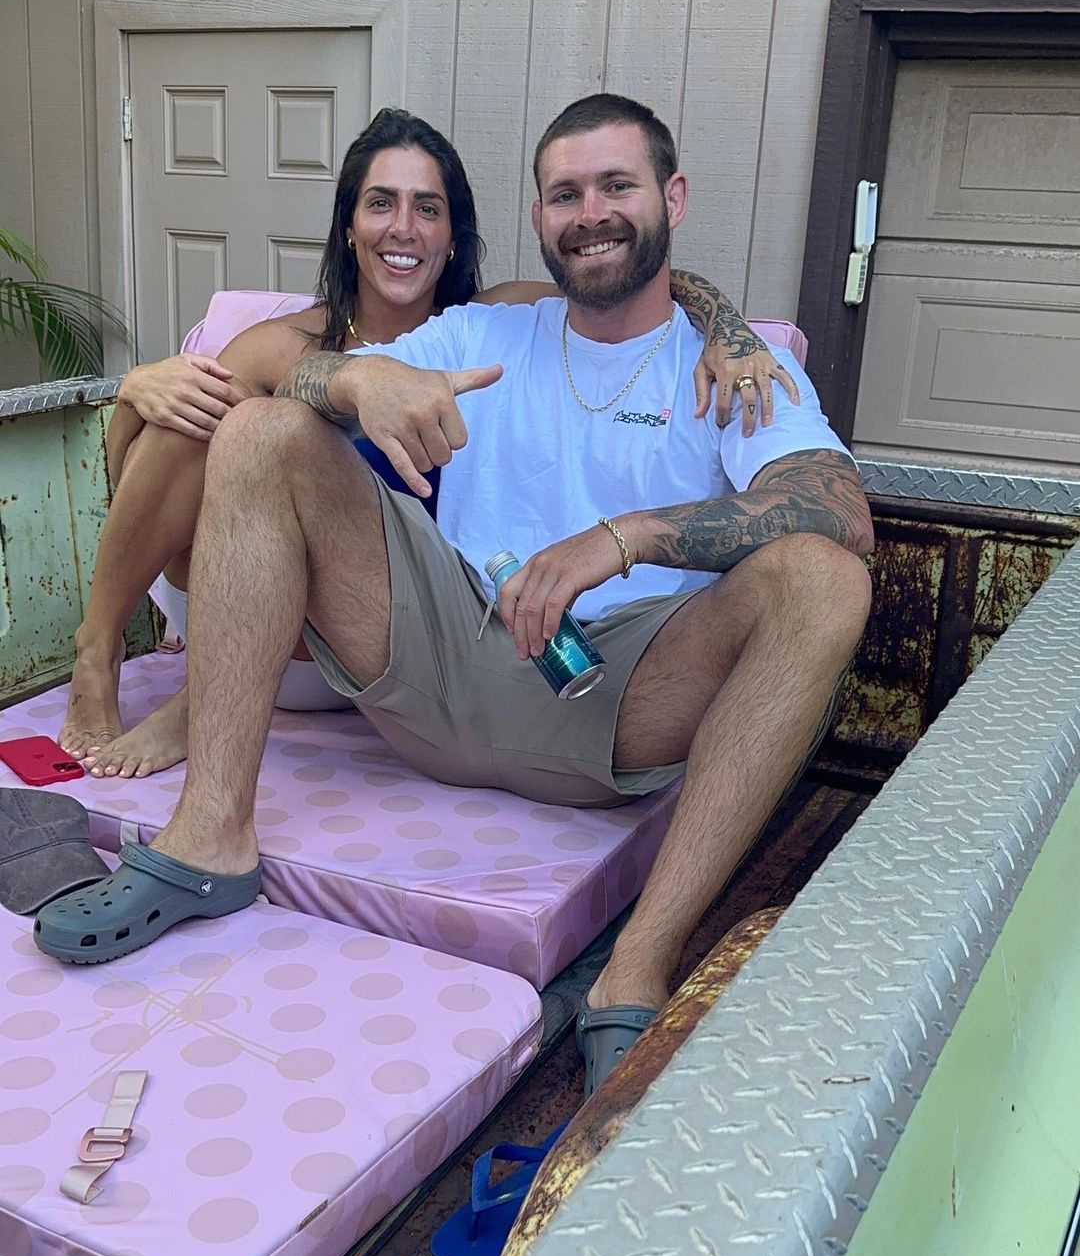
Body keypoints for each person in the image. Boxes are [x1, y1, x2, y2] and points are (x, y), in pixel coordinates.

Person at [37, 94, 873, 1097]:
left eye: (617, 186)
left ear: (674, 197)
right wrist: (353, 384)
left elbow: (838, 512)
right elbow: (291, 377)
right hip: (435, 671)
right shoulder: (488, 331)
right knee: (261, 432)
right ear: (538, 216)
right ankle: (210, 835)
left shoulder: (735, 369)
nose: (591, 214)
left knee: (824, 579)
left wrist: (628, 538)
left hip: (620, 697)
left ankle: (636, 970)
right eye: (565, 194)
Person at [58, 108, 794, 780]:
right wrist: (131, 392)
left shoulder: (489, 324)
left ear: (453, 236)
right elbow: (141, 465)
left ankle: (198, 702)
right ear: (349, 226)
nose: (404, 228)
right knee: (202, 414)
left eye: (428, 209)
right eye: (381, 203)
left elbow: (620, 271)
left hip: (382, 632)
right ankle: (103, 654)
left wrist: (726, 327)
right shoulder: (286, 344)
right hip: (250, 600)